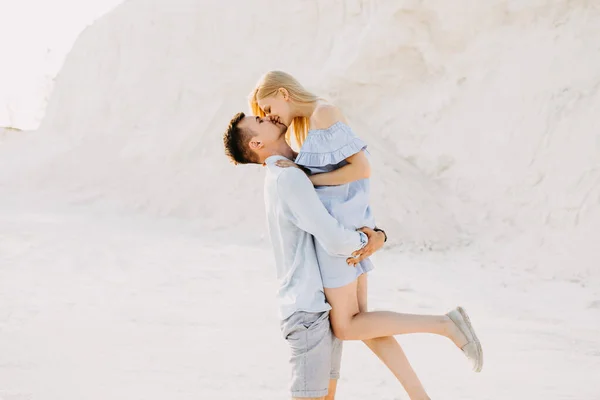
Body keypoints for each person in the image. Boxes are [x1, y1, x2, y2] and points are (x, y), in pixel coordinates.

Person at [222, 109, 482, 400]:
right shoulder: (287, 177)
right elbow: (334, 237)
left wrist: (376, 235)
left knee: (361, 328)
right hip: (307, 309)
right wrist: (368, 239)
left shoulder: (300, 166)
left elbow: (346, 205)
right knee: (353, 333)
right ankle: (444, 327)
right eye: (259, 122)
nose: (266, 117)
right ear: (256, 145)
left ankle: (435, 355)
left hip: (319, 302)